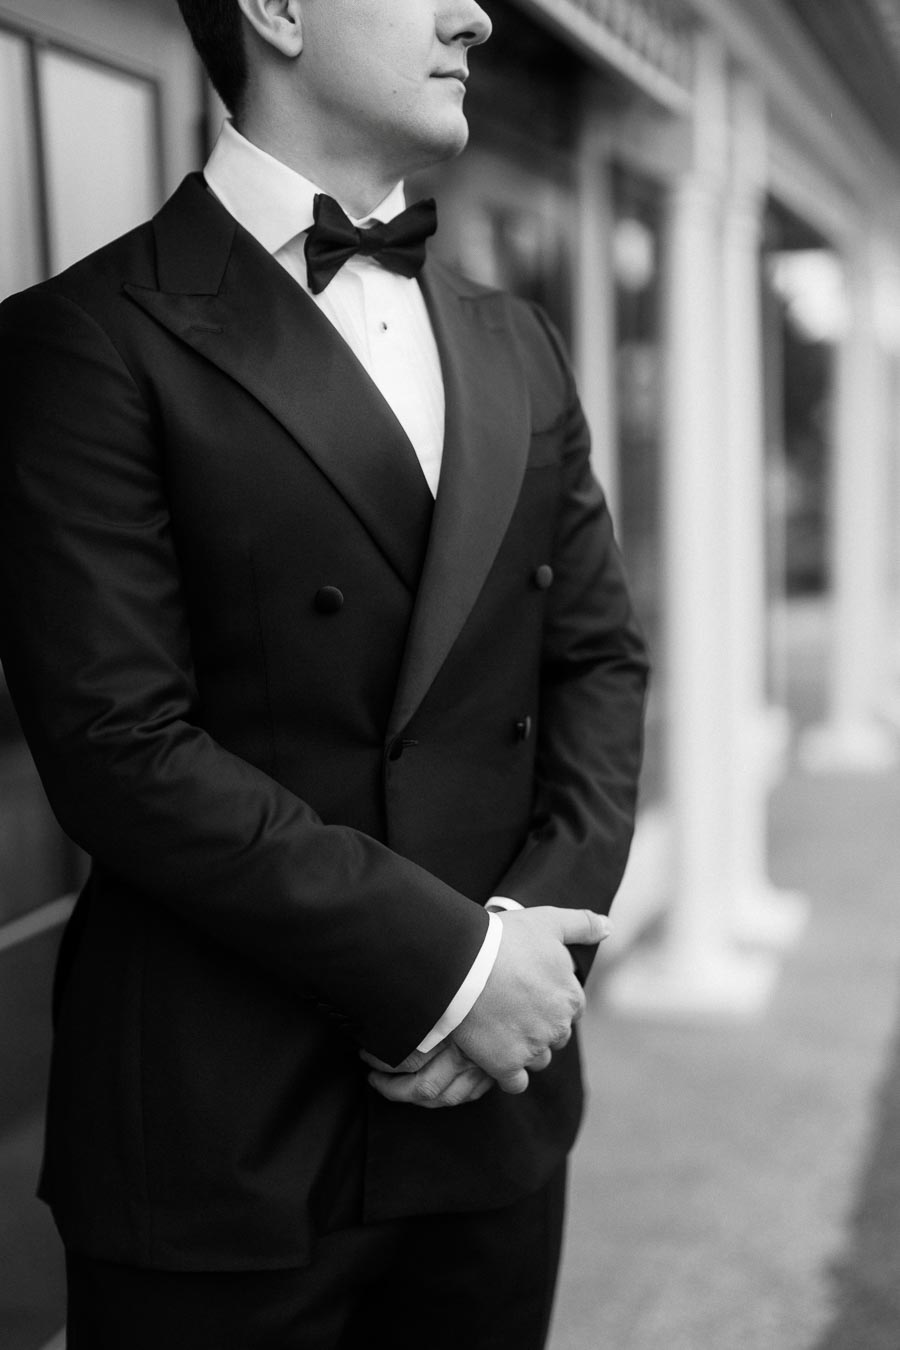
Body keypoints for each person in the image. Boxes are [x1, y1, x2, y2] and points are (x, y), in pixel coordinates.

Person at [0, 1, 649, 1345]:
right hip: (223, 1140)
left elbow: (595, 659)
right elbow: (120, 747)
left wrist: (531, 942)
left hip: (494, 1126)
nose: (475, 11)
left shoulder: (515, 338)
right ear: (279, 8)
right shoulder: (80, 339)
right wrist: (459, 969)